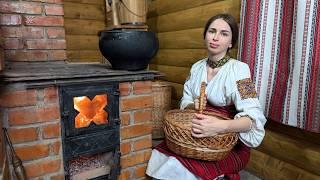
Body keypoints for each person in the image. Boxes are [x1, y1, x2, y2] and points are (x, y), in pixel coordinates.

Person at [146, 13, 266, 180]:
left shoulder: (240, 70)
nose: (215, 37)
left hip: (227, 143)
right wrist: (192, 106)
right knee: (159, 155)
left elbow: (252, 120)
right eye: (212, 31)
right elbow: (186, 101)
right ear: (205, 35)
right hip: (195, 138)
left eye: (224, 34)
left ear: (231, 42)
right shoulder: (197, 68)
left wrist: (219, 127)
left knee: (177, 167)